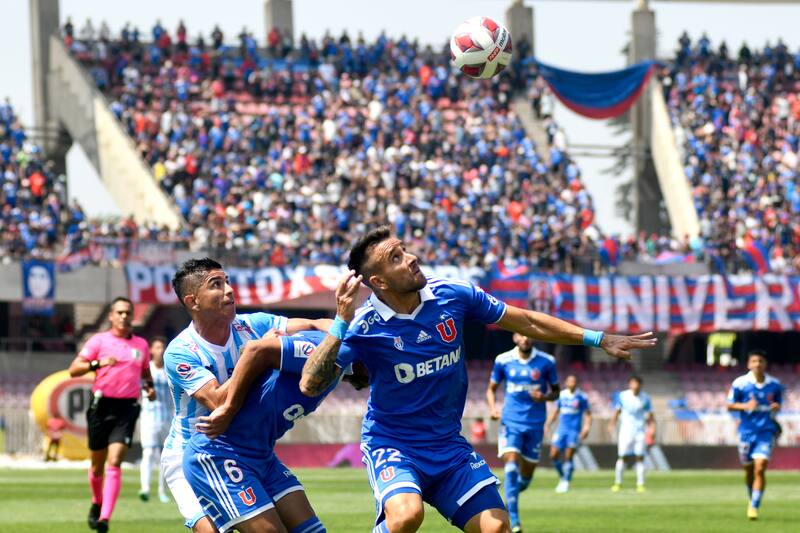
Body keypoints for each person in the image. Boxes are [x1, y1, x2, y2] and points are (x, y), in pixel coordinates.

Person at [295, 227, 656, 533]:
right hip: (394, 444)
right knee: (407, 516)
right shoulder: (362, 327)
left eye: (404, 249)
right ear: (378, 282)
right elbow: (310, 383)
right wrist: (340, 323)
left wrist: (596, 338)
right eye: (396, 258)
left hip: (448, 445)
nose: (410, 257)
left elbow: (526, 320)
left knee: (497, 527)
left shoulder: (452, 295)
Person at [161, 258, 330, 533]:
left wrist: (341, 325)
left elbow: (314, 325)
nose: (229, 290)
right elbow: (217, 401)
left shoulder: (253, 324)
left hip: (247, 445)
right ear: (193, 301)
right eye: (216, 285)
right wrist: (257, 352)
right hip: (194, 453)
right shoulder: (181, 352)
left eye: (227, 281)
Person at [184, 330, 367, 533]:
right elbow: (255, 349)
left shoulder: (338, 367)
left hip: (263, 457)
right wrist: (229, 407)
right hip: (221, 453)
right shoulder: (322, 351)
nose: (380, 377)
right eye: (383, 366)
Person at [68, 297, 155, 533]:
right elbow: (73, 369)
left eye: (128, 312)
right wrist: (98, 363)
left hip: (127, 408)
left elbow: (146, 372)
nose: (124, 316)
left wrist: (149, 387)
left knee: (115, 461)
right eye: (119, 312)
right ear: (111, 316)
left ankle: (105, 518)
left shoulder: (141, 345)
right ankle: (97, 502)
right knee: (97, 465)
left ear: (132, 315)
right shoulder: (99, 340)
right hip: (101, 407)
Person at [486, 335, 559, 532]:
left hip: (535, 424)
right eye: (521, 334)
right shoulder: (503, 360)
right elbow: (491, 389)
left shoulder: (547, 362)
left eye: (528, 335)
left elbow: (556, 392)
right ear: (515, 337)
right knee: (511, 464)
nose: (525, 338)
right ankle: (515, 521)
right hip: (510, 422)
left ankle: (511, 498)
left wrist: (544, 397)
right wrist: (493, 408)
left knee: (525, 478)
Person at [726, 350, 783, 521]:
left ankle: (754, 506)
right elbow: (730, 406)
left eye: (761, 361)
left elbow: (778, 403)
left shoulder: (775, 384)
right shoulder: (740, 383)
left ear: (765, 364)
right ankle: (752, 497)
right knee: (749, 470)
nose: (757, 364)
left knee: (760, 467)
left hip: (766, 431)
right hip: (746, 432)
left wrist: (776, 407)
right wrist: (745, 406)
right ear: (749, 364)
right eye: (754, 361)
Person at [139, 336, 172, 503]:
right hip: (149, 417)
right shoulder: (146, 370)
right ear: (151, 350)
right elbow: (140, 388)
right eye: (158, 347)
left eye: (163, 347)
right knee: (149, 452)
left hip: (167, 417)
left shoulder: (169, 371)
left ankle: (162, 490)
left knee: (164, 456)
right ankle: (145, 488)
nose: (161, 351)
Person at [545, 374, 592, 493]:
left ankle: (566, 481)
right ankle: (562, 476)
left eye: (574, 381)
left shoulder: (582, 397)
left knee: (568, 455)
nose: (571, 383)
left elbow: (588, 414)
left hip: (574, 431)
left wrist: (586, 428)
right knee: (553, 454)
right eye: (569, 381)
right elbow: (555, 411)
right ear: (566, 383)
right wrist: (547, 424)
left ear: (576, 383)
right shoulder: (562, 395)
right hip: (561, 430)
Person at [609, 375, 655, 493]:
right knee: (622, 457)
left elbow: (650, 415)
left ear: (640, 385)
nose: (634, 386)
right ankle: (617, 483)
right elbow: (617, 411)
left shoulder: (645, 398)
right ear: (630, 384)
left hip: (640, 431)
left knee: (640, 458)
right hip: (625, 431)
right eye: (632, 383)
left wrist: (652, 428)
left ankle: (640, 484)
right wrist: (612, 424)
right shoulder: (623, 396)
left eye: (636, 383)